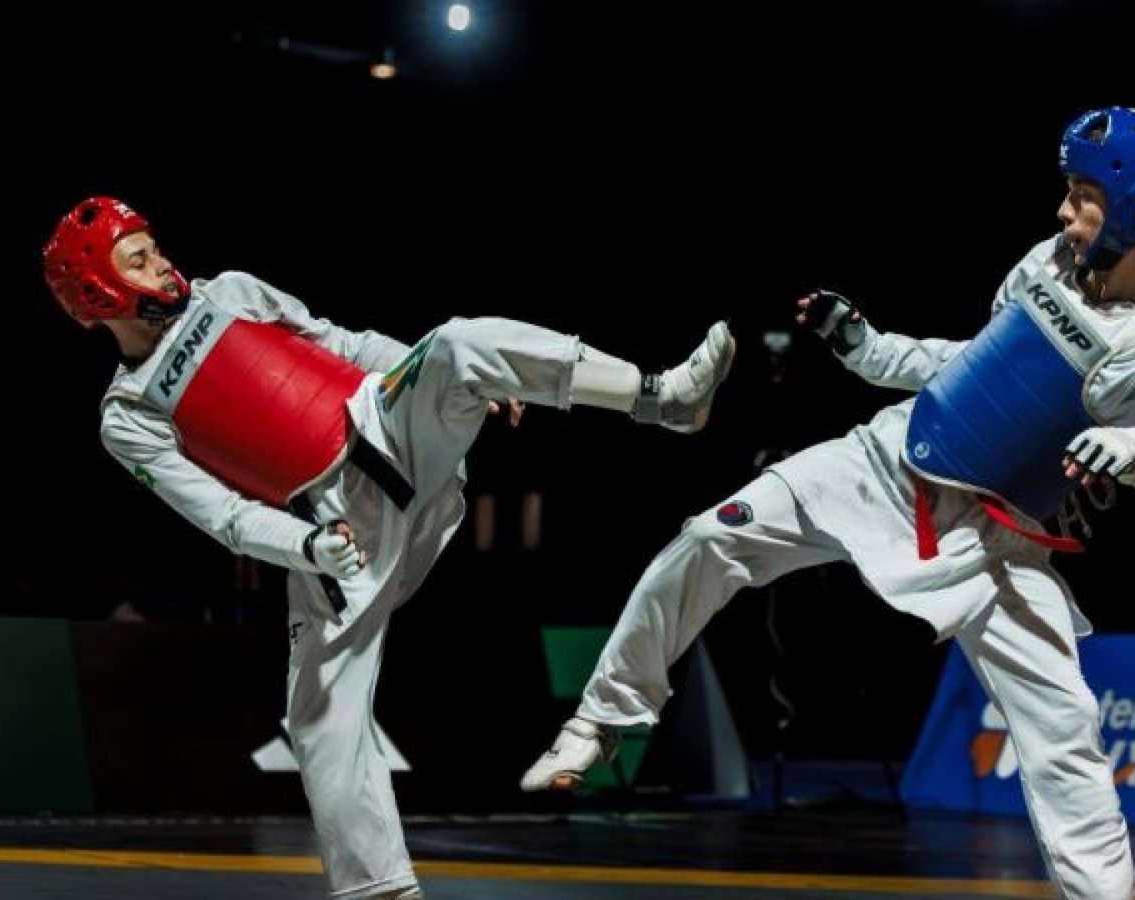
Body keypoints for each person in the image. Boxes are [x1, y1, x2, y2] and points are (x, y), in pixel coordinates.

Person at [519, 106, 1135, 900]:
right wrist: (870, 350)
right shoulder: (1049, 260)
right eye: (1067, 190)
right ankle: (603, 719)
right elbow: (975, 365)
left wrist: (1134, 448)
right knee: (708, 538)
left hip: (990, 546)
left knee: (1066, 735)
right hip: (882, 463)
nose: (1064, 211)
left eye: (1083, 195)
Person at [40, 195, 736, 900]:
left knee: (463, 343)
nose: (162, 262)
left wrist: (461, 378)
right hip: (333, 536)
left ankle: (661, 399)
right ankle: (382, 891)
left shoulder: (232, 292)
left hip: (390, 430)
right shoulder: (128, 414)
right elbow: (220, 514)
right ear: (101, 294)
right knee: (321, 720)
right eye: (139, 259)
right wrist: (307, 547)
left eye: (153, 246)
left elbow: (341, 342)